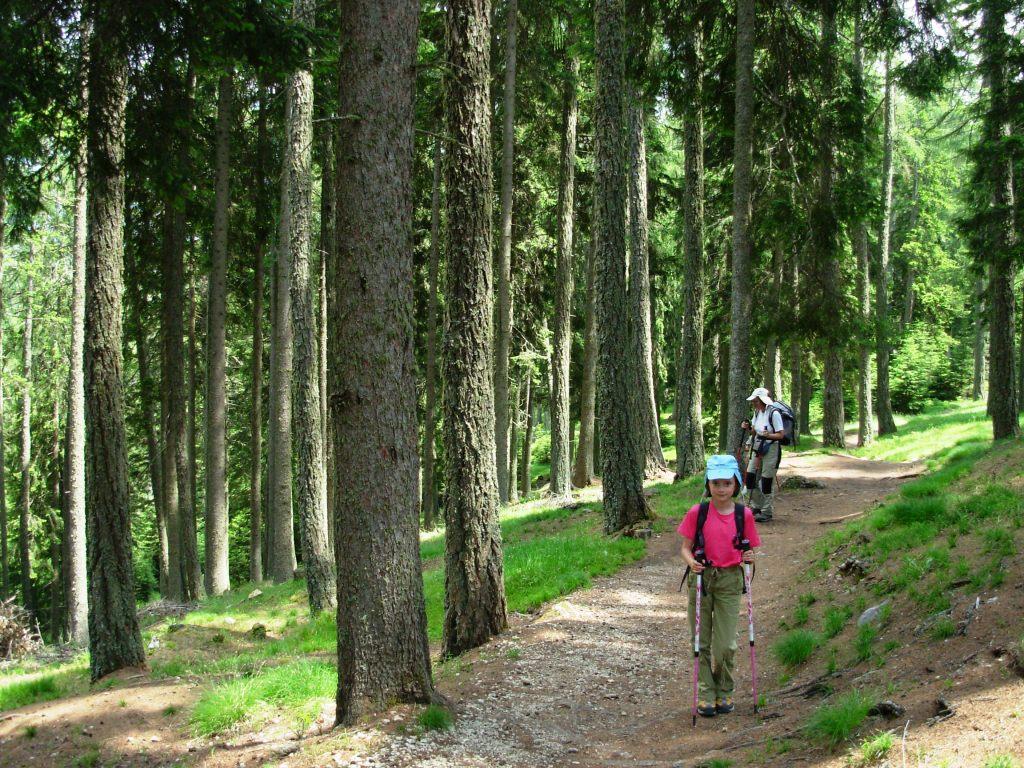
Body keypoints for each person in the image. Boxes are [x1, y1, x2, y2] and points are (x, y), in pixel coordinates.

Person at [678, 454, 760, 717]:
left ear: (736, 483)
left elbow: (750, 549)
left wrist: (749, 557)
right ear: (708, 484)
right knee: (700, 640)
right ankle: (706, 692)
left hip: (730, 579)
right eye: (716, 483)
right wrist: (692, 563)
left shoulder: (743, 514)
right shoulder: (698, 512)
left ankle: (724, 689)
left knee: (725, 644)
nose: (721, 489)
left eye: (727, 483)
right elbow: (685, 548)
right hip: (701, 579)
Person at [738, 386, 785, 523]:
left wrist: (769, 435)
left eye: (756, 401)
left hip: (771, 448)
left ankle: (766, 511)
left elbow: (781, 435)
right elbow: (755, 431)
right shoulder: (757, 412)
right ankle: (756, 506)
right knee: (751, 476)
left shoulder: (774, 413)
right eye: (753, 401)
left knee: (766, 480)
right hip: (758, 445)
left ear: (763, 401)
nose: (754, 403)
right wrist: (747, 428)